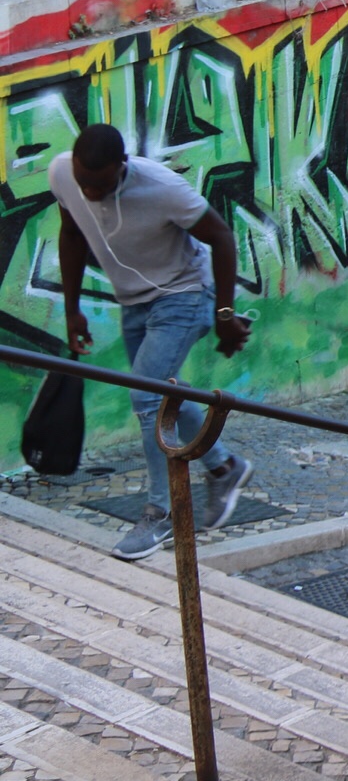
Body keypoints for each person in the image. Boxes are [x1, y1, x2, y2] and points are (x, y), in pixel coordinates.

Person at [52, 124, 255, 561]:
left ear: (121, 168)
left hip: (185, 294)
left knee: (148, 398)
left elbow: (220, 236)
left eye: (101, 185)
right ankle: (224, 467)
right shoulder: (63, 175)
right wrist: (72, 309)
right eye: (83, 181)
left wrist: (223, 313)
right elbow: (71, 233)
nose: (89, 192)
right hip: (134, 301)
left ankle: (160, 513)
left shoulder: (162, 187)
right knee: (166, 396)